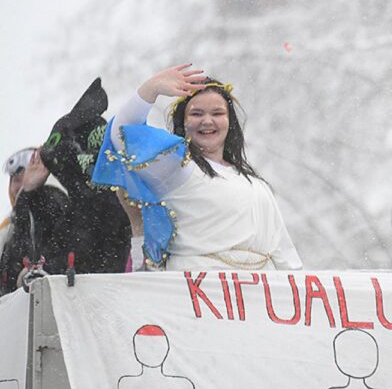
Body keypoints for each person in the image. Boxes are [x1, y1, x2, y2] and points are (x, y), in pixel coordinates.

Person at [92, 64, 302, 271]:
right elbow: (123, 135)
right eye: (197, 114)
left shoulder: (255, 183)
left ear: (230, 122)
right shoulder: (178, 167)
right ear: (183, 122)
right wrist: (150, 89)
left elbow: (286, 258)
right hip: (196, 293)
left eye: (217, 113)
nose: (207, 121)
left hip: (256, 297)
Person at [0, 148, 70, 294]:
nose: (20, 185)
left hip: (45, 303)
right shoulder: (9, 226)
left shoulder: (51, 201)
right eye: (16, 181)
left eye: (26, 176)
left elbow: (59, 246)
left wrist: (28, 192)